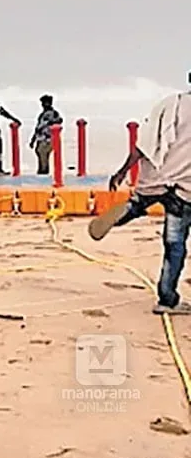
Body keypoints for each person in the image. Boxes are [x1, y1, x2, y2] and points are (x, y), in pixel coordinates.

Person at [89, 77, 191, 315]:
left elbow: (142, 145)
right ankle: (166, 300)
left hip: (154, 178)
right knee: (174, 245)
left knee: (140, 201)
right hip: (184, 187)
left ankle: (127, 211)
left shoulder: (170, 104)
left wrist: (122, 172)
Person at [29, 94, 63, 175]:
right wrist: (33, 139)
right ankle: (42, 170)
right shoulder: (42, 114)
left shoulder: (54, 113)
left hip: (47, 138)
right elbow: (38, 127)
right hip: (41, 138)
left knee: (43, 153)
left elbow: (59, 121)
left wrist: (51, 123)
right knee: (40, 153)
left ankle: (44, 171)